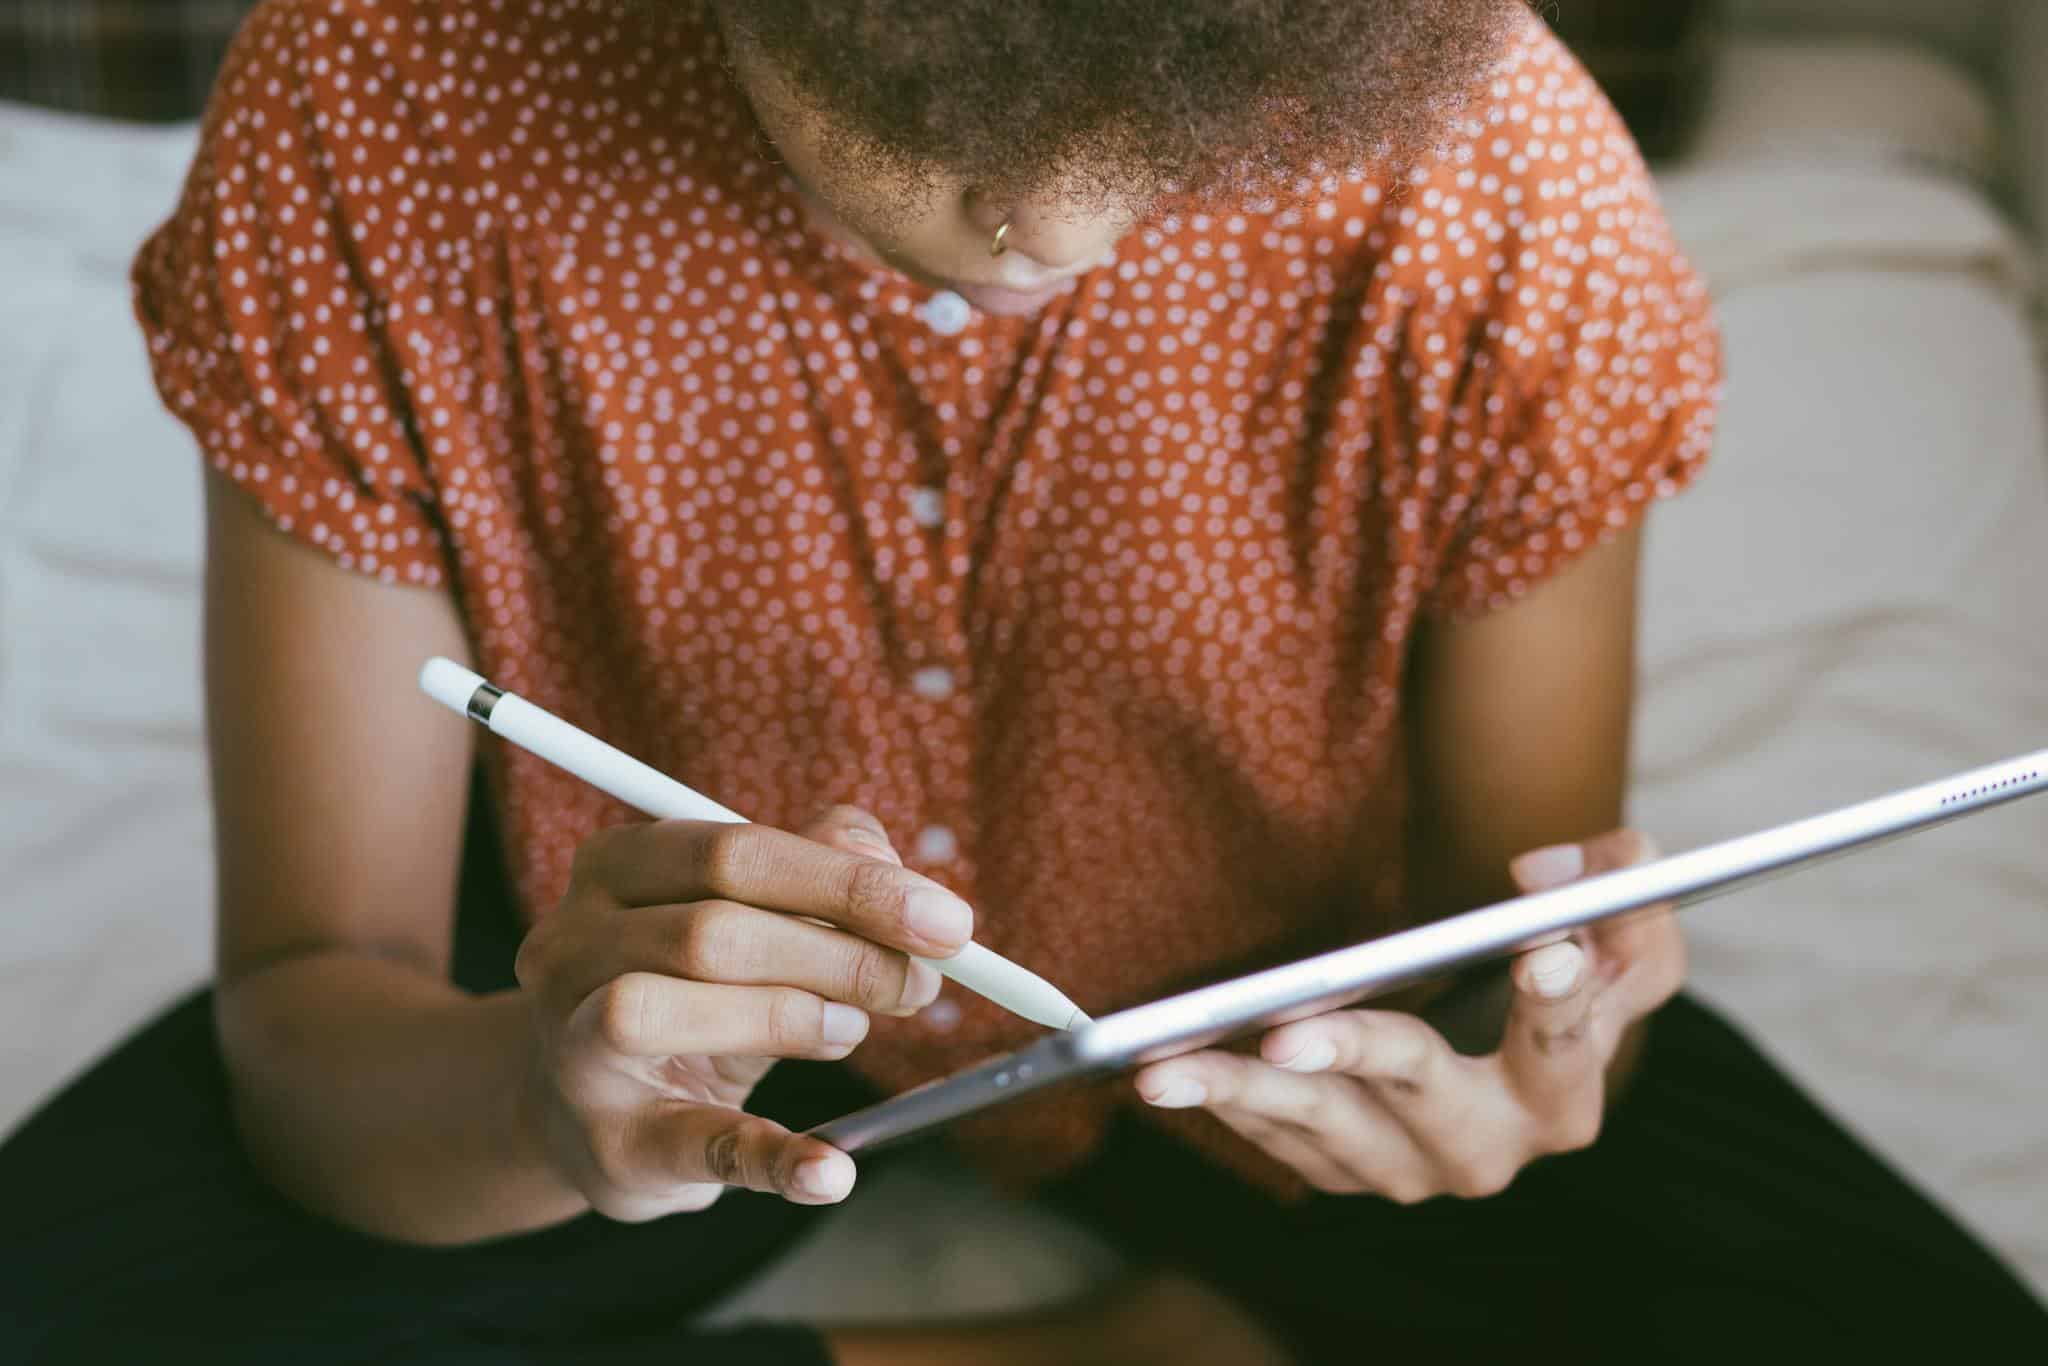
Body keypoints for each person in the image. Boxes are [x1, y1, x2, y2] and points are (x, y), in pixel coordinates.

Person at [4, 0, 2044, 1361]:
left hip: (1279, 1004)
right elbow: (312, 1016)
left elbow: (1492, 938)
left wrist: (1509, 1084)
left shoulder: (1492, 172)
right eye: (908, 102)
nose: (1049, 225)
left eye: (1178, 139)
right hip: (622, 974)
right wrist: (545, 1104)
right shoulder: (387, 99)